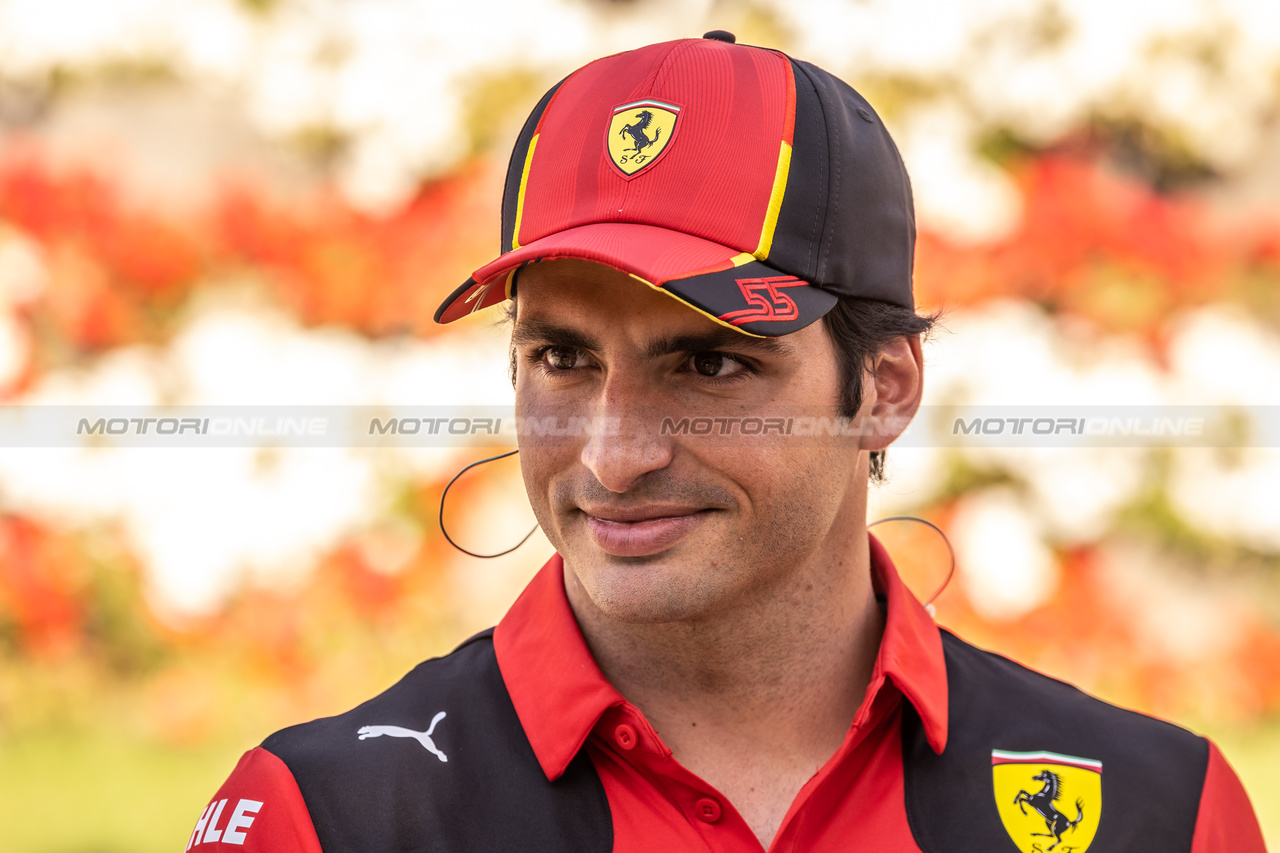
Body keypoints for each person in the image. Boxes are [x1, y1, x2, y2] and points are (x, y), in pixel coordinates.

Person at [187, 32, 1266, 853]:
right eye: (561, 359)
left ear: (882, 389)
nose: (612, 456)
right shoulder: (324, 817)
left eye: (708, 364)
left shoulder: (1156, 811)